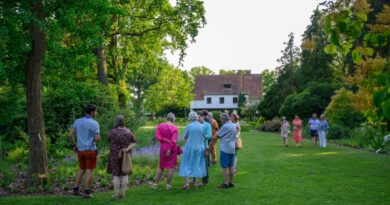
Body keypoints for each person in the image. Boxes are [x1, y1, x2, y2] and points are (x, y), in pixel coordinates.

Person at [68, 104, 101, 198]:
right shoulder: (95, 123)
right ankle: (87, 192)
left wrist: (74, 145)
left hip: (80, 150)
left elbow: (70, 135)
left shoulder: (77, 121)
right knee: (89, 170)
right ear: (91, 112)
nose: (96, 113)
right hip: (90, 150)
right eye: (95, 111)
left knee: (82, 170)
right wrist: (94, 139)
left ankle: (75, 190)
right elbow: (98, 138)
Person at [107, 115, 137, 199]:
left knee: (116, 175)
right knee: (125, 174)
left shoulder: (112, 132)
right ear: (123, 121)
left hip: (114, 155)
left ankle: (116, 194)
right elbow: (134, 142)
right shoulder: (128, 131)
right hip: (125, 155)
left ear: (115, 122)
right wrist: (127, 148)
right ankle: (123, 194)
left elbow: (109, 140)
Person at [178, 112, 207, 190]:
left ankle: (187, 184)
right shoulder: (202, 126)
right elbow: (203, 137)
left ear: (190, 118)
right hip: (200, 147)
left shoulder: (189, 126)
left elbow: (185, 137)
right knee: (197, 164)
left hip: (190, 147)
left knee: (186, 164)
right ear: (197, 117)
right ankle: (196, 184)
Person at [151, 113, 179, 190]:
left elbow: (158, 137)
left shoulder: (160, 126)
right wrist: (169, 148)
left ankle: (155, 184)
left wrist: (165, 140)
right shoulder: (174, 128)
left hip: (163, 147)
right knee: (171, 167)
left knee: (161, 166)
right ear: (173, 119)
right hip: (172, 147)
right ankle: (168, 185)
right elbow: (173, 140)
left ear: (167, 118)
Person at [217, 113, 237, 188]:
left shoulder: (225, 126)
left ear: (223, 119)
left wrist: (212, 140)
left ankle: (226, 183)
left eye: (220, 119)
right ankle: (231, 182)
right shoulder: (233, 124)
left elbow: (218, 135)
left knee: (225, 166)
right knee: (231, 165)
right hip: (232, 147)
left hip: (225, 148)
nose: (220, 120)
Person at [198, 111, 212, 185]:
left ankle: (205, 181)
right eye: (197, 117)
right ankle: (194, 179)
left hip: (204, 147)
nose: (198, 118)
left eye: (199, 117)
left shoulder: (207, 125)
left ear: (203, 116)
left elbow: (209, 136)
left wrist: (202, 136)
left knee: (204, 164)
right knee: (195, 163)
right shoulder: (196, 124)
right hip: (196, 147)